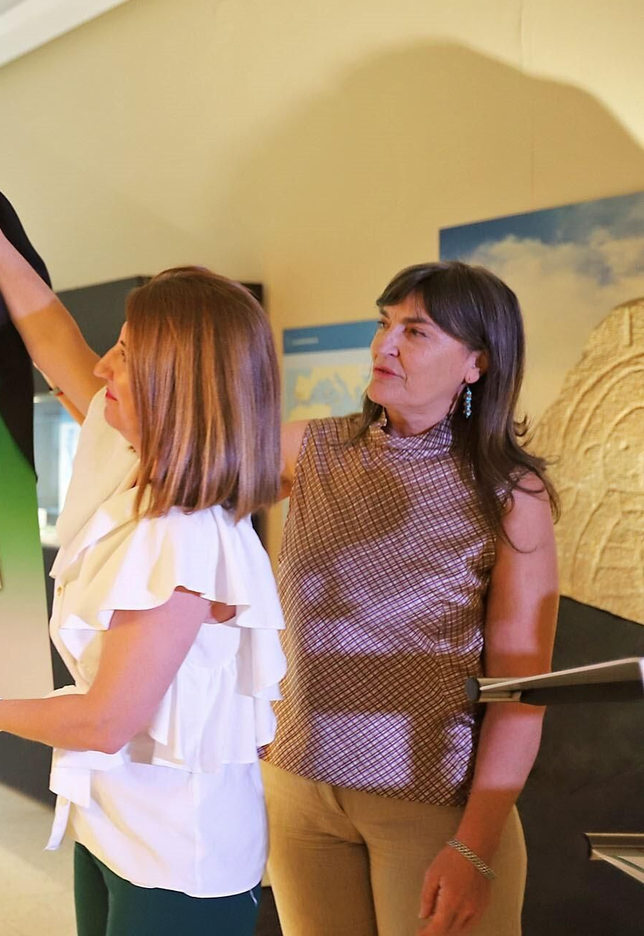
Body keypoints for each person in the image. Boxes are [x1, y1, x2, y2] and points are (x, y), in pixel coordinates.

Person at [0, 155, 285, 935]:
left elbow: (105, 721)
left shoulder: (187, 537)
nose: (104, 364)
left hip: (177, 855)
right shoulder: (132, 457)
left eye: (127, 353)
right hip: (113, 824)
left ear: (176, 383)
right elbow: (53, 336)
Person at [263, 262, 559, 936]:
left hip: (433, 805)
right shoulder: (311, 447)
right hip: (298, 793)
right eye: (384, 323)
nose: (385, 344)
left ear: (477, 362)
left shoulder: (511, 494)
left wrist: (474, 846)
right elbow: (182, 469)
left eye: (416, 331)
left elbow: (521, 689)